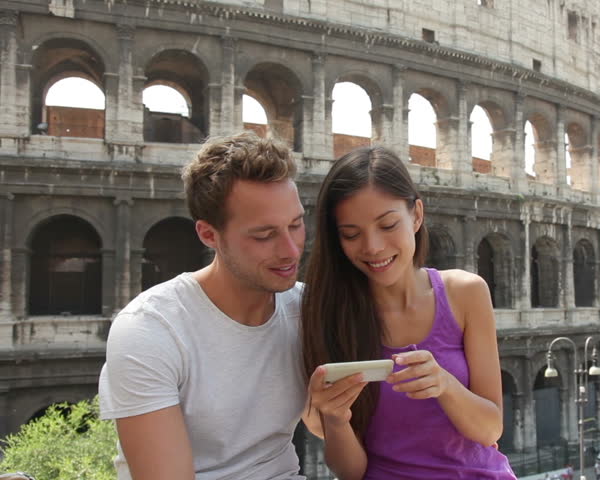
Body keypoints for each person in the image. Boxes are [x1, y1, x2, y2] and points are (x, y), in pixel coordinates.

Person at [99, 132, 316, 479]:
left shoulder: (307, 310)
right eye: (264, 235)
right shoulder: (150, 329)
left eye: (296, 224)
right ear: (208, 235)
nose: (291, 249)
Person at [300, 146, 515, 479]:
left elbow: (490, 430)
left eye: (387, 225)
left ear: (416, 215)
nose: (372, 247)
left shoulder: (466, 292)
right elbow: (351, 473)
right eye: (351, 234)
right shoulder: (329, 315)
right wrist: (335, 418)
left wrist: (444, 383)